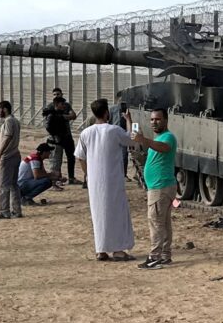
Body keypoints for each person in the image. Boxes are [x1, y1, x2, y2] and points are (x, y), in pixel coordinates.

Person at [74, 98, 135, 261]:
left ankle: (101, 249)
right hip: (113, 179)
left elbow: (80, 156)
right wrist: (131, 121)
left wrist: (88, 175)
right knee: (116, 213)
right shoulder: (114, 130)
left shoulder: (86, 133)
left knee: (98, 214)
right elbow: (133, 138)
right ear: (107, 112)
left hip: (94, 182)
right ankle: (118, 250)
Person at [129, 108, 178, 270]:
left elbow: (162, 147)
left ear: (165, 120)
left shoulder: (168, 137)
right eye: (151, 120)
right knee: (163, 222)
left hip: (160, 187)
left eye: (157, 119)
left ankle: (154, 257)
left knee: (156, 223)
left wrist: (143, 140)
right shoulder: (158, 138)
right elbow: (150, 149)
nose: (154, 122)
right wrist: (129, 121)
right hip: (160, 186)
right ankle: (165, 255)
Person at [0, 100, 22, 219]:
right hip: (15, 154)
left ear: (5, 109)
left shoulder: (9, 121)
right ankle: (17, 210)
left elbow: (8, 137)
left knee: (4, 185)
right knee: (14, 185)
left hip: (8, 156)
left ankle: (4, 211)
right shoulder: (15, 120)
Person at [43, 88, 77, 182]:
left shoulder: (66, 105)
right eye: (54, 94)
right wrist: (64, 117)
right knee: (56, 158)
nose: (56, 96)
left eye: (58, 94)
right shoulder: (50, 107)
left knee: (71, 157)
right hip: (57, 138)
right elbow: (49, 124)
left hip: (67, 135)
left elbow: (74, 116)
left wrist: (61, 117)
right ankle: (56, 179)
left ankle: (71, 177)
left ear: (62, 94)